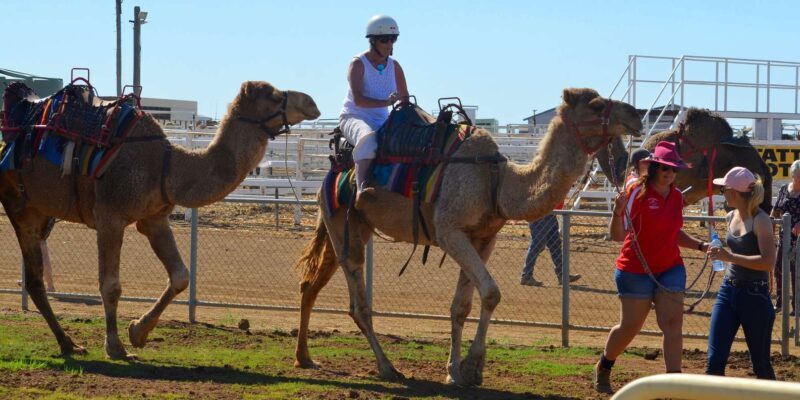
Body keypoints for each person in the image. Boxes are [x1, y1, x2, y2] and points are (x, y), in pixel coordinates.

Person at [594, 141, 707, 393]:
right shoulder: (635, 191)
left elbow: (675, 233)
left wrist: (700, 246)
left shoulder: (677, 197)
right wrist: (617, 212)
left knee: (673, 323)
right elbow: (617, 235)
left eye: (674, 169)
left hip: (670, 266)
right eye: (665, 168)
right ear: (654, 168)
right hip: (635, 269)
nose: (670, 173)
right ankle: (604, 365)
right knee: (630, 327)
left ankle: (674, 383)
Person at [706, 167, 776, 379]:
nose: (722, 193)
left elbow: (768, 262)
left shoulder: (761, 220)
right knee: (714, 361)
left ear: (733, 192)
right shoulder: (730, 216)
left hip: (754, 294)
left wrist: (729, 258)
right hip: (729, 289)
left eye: (723, 189)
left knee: (761, 365)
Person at [339, 14, 409, 206]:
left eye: (393, 39)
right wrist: (386, 103)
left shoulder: (395, 67)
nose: (389, 43)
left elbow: (405, 100)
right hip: (354, 116)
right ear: (373, 41)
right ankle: (361, 190)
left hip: (382, 120)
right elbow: (359, 100)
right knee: (368, 138)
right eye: (384, 39)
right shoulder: (358, 63)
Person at [520, 202, 581, 286]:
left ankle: (562, 275)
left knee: (555, 244)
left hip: (551, 214)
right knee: (538, 245)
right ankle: (526, 276)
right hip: (540, 214)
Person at [771, 160, 800, 315]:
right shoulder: (783, 190)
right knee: (779, 270)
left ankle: (797, 307)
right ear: (793, 176)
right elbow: (776, 211)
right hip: (784, 238)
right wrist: (770, 227)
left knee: (797, 274)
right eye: (798, 177)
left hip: (799, 242)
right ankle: (780, 303)